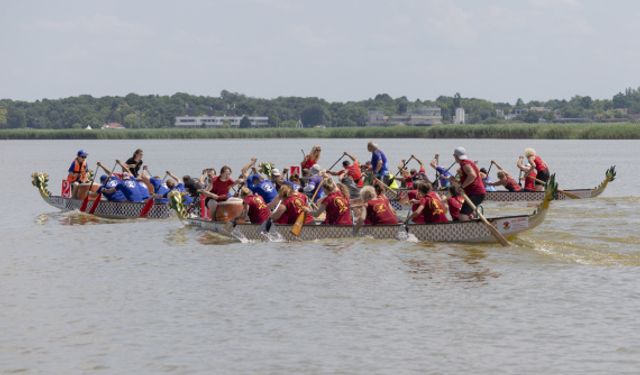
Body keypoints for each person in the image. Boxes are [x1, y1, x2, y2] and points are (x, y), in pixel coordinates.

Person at [451, 147, 486, 222]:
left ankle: (469, 231)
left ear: (456, 156)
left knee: (462, 215)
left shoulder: (464, 163)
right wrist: (456, 181)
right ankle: (474, 223)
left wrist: (462, 186)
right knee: (468, 213)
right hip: (476, 193)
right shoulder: (469, 162)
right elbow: (476, 177)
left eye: (454, 156)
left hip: (476, 193)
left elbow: (472, 175)